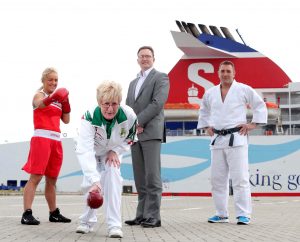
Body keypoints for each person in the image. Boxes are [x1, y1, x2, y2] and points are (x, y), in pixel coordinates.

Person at [197, 60, 267, 225]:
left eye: (228, 71)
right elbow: (203, 110)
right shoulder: (210, 92)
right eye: (223, 71)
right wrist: (206, 125)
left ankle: (244, 214)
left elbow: (259, 105)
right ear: (218, 73)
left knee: (240, 178)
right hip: (217, 139)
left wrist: (253, 124)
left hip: (237, 138)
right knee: (217, 179)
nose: (225, 74)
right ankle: (221, 214)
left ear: (234, 73)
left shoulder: (243, 89)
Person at [75, 81, 137, 238]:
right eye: (106, 104)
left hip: (112, 152)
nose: (110, 109)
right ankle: (87, 221)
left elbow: (131, 138)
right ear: (99, 102)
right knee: (90, 185)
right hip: (93, 151)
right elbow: (85, 150)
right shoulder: (88, 117)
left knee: (114, 179)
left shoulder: (129, 115)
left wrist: (115, 150)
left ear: (119, 102)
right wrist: (95, 180)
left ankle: (114, 225)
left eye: (114, 104)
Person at [125, 46, 170, 228]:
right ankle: (142, 214)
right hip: (136, 135)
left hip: (150, 132)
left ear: (153, 58)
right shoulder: (133, 83)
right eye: (141, 56)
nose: (145, 59)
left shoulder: (161, 77)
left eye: (148, 56)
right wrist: (131, 126)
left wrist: (139, 122)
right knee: (140, 177)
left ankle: (154, 216)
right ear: (137, 60)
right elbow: (128, 107)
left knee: (152, 176)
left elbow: (157, 103)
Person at [21, 67, 72, 225]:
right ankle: (26, 213)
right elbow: (40, 104)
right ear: (43, 80)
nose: (54, 83)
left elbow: (66, 120)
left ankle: (53, 213)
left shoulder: (58, 100)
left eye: (56, 80)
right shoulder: (39, 95)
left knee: (52, 179)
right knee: (35, 177)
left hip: (56, 140)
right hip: (41, 139)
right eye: (50, 79)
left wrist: (66, 103)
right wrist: (52, 98)